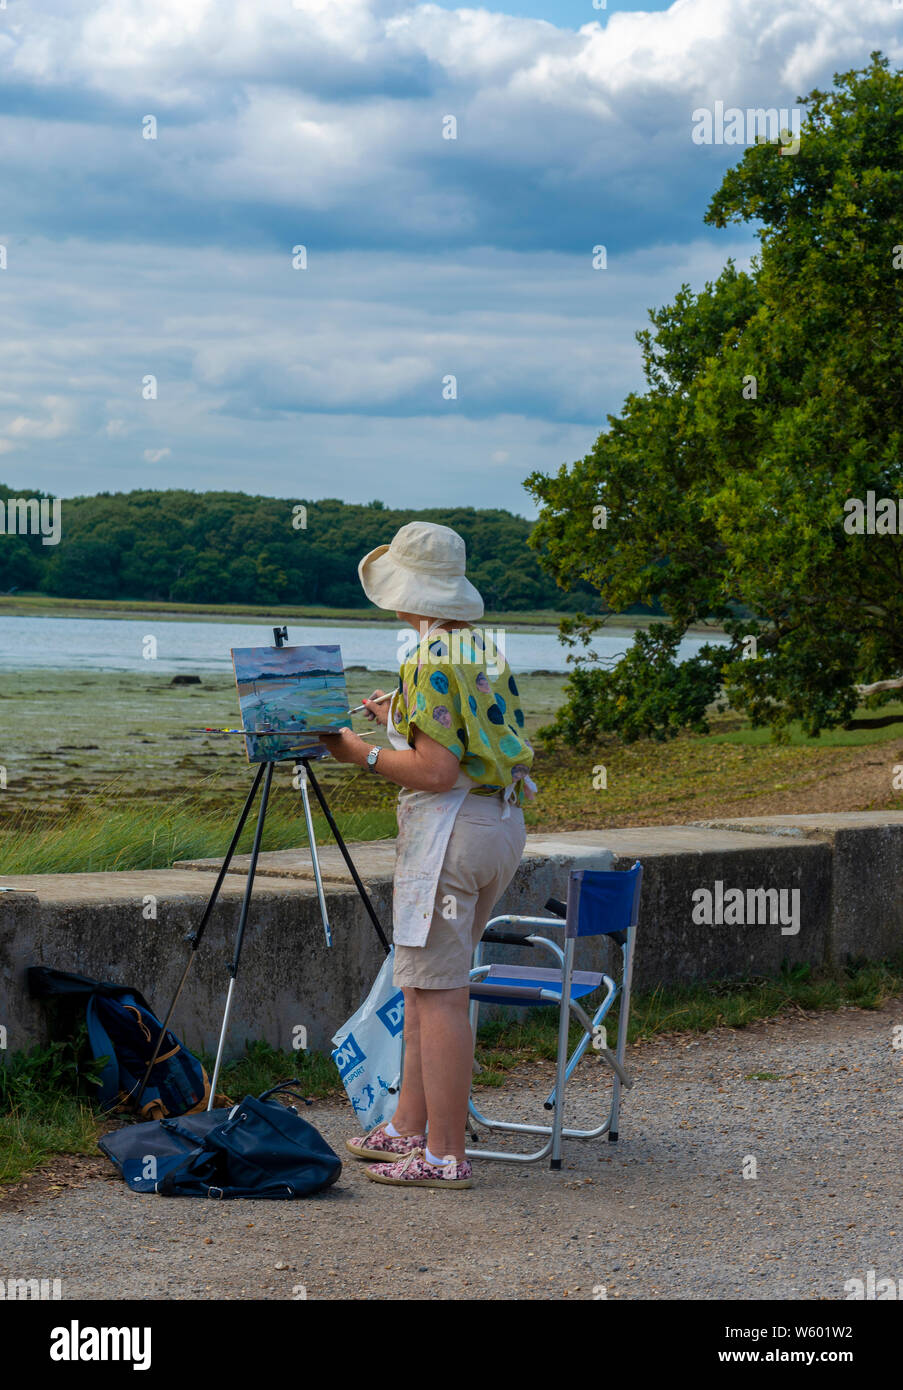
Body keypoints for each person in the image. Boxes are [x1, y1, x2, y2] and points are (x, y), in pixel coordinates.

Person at [319, 521, 535, 1190]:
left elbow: (437, 773)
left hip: (451, 831)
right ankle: (405, 1129)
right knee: (423, 983)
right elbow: (475, 744)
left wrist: (359, 752)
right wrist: (398, 721)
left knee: (437, 994)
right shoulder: (478, 650)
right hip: (498, 825)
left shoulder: (425, 658)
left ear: (401, 590)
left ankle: (442, 1155)